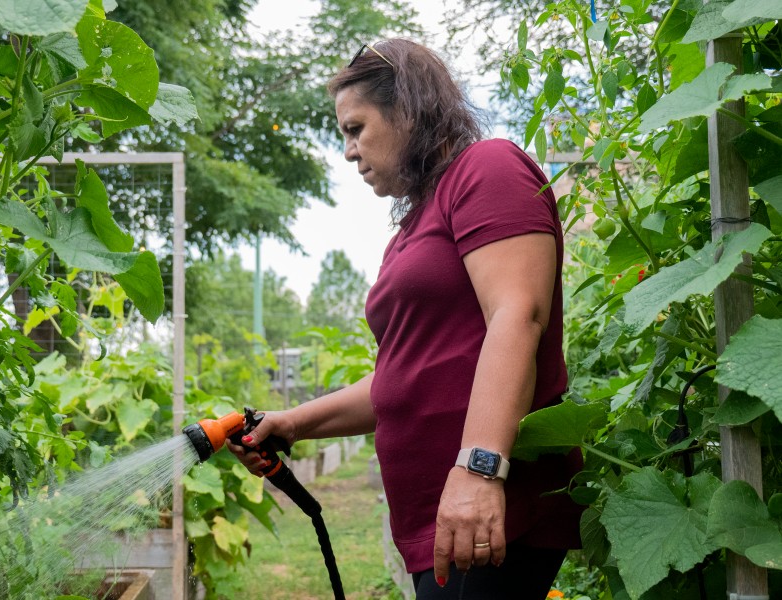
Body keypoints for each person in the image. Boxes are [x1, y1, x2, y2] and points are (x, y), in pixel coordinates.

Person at [228, 39, 583, 599]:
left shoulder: (487, 168)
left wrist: (479, 470)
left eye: (355, 128)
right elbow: (406, 378)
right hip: (441, 521)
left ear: (408, 110)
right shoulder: (415, 227)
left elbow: (519, 314)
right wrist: (294, 423)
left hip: (488, 511)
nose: (348, 151)